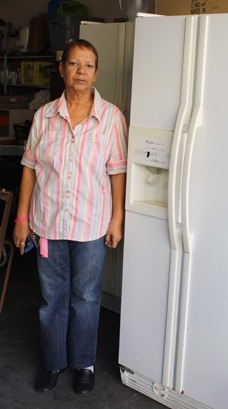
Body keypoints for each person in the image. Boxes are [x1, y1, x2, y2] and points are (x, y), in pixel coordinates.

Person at [13, 38, 127, 394]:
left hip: (92, 224)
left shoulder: (111, 118)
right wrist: (21, 219)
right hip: (47, 224)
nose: (81, 71)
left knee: (87, 298)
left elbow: (117, 171)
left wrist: (117, 218)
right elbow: (30, 168)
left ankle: (83, 364)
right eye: (74, 64)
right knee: (52, 300)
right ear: (62, 69)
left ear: (96, 73)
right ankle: (52, 363)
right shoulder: (44, 116)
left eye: (88, 65)